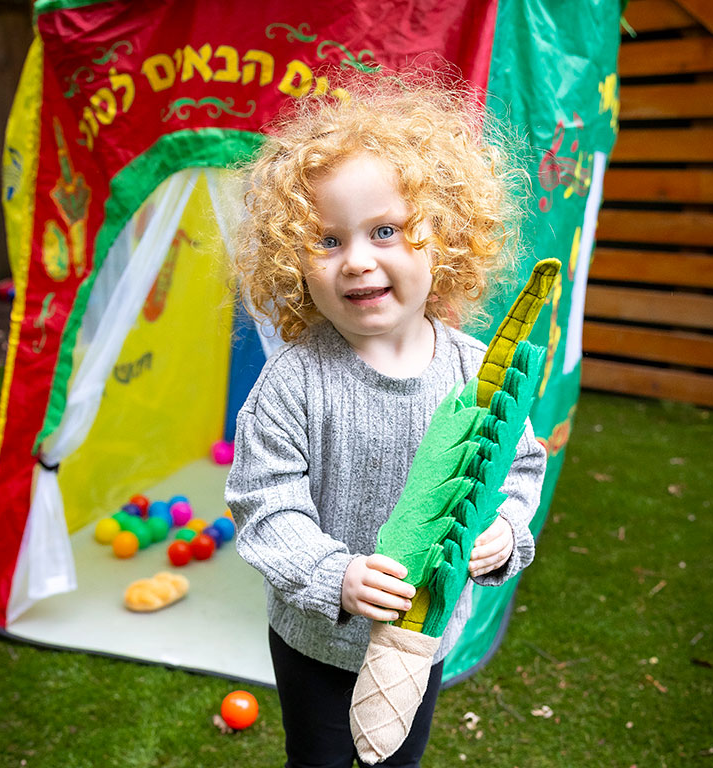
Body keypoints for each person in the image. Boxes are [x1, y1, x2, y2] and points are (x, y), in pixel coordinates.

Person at [224, 73, 547, 768]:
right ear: (292, 260)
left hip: (419, 640)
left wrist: (502, 530)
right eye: (328, 240)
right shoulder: (294, 382)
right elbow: (265, 504)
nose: (359, 259)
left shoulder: (475, 371)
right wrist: (333, 573)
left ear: (445, 239)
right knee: (320, 757)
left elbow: (515, 467)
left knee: (399, 758)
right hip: (317, 638)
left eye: (386, 230)